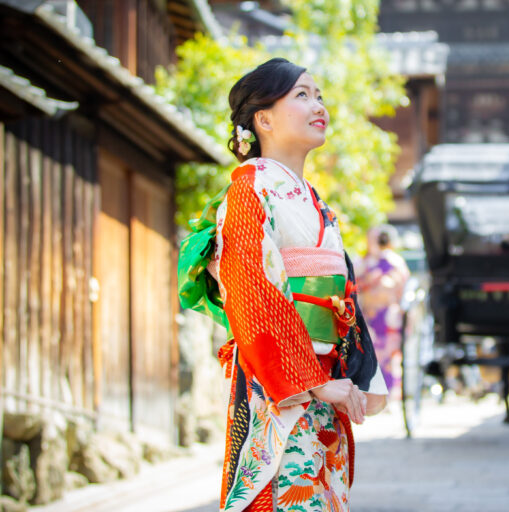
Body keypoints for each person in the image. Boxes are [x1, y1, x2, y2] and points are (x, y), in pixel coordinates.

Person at [177, 58, 387, 512]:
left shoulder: (314, 200)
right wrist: (311, 381)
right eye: (302, 95)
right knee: (284, 495)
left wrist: (352, 375)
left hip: (325, 380)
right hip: (280, 384)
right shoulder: (249, 190)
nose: (319, 106)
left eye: (320, 96)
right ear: (264, 119)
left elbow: (343, 294)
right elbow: (254, 290)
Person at [356, 226, 411, 399]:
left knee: (390, 353)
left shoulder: (392, 260)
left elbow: (401, 284)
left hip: (388, 312)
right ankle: (373, 394)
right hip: (370, 312)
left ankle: (389, 393)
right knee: (371, 351)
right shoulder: (364, 261)